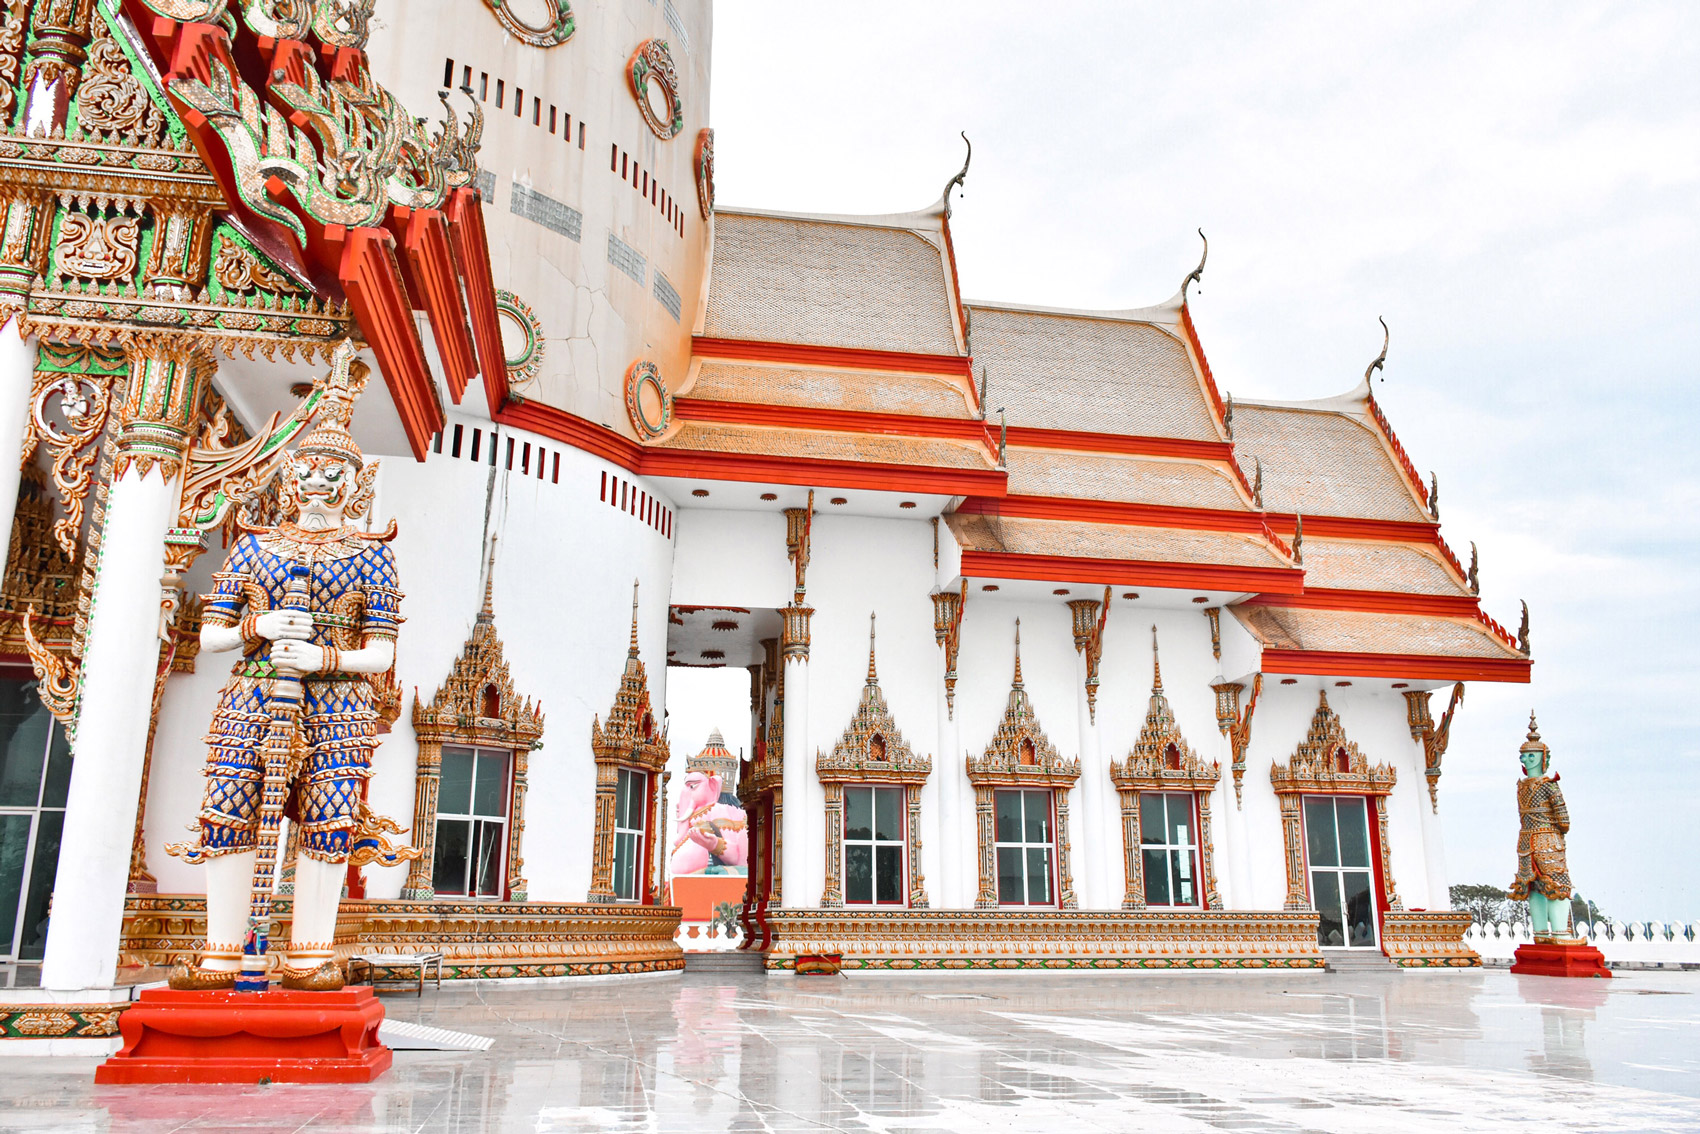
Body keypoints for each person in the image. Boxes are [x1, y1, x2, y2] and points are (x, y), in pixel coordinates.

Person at [167, 348, 405, 991]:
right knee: (229, 811)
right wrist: (259, 628)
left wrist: (324, 658)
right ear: (292, 477)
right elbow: (209, 636)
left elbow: (381, 653)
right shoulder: (254, 546)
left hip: (337, 705)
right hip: (254, 694)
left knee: (329, 822)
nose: (318, 481)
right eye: (308, 469)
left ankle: (308, 954)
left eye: (333, 472)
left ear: (355, 483)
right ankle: (223, 952)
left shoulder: (370, 556)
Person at [1507, 714, 1575, 943]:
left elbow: (1563, 818)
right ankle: (1554, 933)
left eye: (1530, 755)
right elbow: (1564, 821)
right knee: (1550, 885)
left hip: (1528, 839)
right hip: (1545, 839)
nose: (1525, 759)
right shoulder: (1541, 786)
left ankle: (1547, 933)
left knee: (1539, 886)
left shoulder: (1536, 786)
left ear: (1542, 757)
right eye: (1524, 755)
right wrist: (1557, 830)